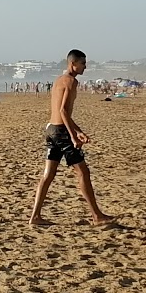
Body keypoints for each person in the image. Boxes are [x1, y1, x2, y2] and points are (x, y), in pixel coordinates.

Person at [28, 49, 113, 227]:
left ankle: (35, 217)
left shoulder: (59, 80)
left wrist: (78, 130)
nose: (85, 66)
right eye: (82, 63)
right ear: (72, 64)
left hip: (51, 129)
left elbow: (60, 114)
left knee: (48, 175)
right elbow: (63, 111)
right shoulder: (71, 81)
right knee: (83, 172)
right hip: (60, 132)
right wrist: (73, 136)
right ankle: (97, 216)